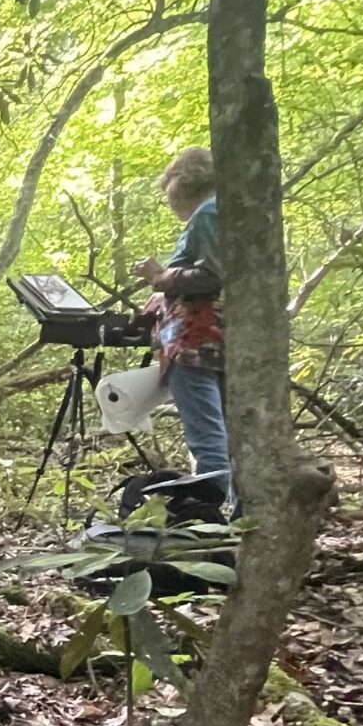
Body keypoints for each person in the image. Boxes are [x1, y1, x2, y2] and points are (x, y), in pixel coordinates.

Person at [132, 145, 230, 514]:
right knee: (221, 433)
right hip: (216, 337)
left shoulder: (207, 212)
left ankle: (211, 522)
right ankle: (230, 513)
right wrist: (164, 297)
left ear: (183, 182)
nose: (169, 202)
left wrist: (161, 278)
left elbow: (214, 276)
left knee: (207, 439)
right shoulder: (224, 211)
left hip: (195, 341)